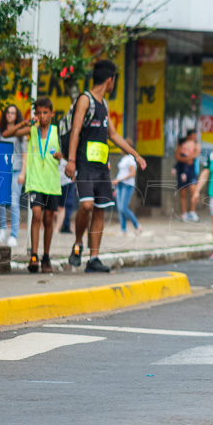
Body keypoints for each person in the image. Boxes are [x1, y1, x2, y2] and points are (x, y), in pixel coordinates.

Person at [65, 60, 147, 273]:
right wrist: (71, 160)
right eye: (114, 81)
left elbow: (113, 135)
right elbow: (75, 130)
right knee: (86, 206)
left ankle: (94, 259)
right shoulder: (86, 100)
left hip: (102, 167)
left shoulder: (104, 105)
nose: (113, 85)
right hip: (83, 165)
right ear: (110, 80)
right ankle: (78, 243)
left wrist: (135, 154)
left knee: (100, 211)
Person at [4, 97, 63, 273]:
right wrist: (24, 122)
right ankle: (34, 256)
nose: (42, 116)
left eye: (46, 112)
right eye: (38, 113)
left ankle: (46, 256)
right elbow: (8, 134)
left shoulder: (57, 132)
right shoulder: (31, 130)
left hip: (52, 183)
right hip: (35, 181)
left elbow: (67, 152)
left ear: (52, 113)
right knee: (36, 214)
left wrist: (63, 156)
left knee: (48, 219)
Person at [0, 103, 26, 248]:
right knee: (0, 202)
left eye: (12, 113)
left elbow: (25, 154)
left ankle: (14, 234)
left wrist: (23, 173)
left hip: (16, 170)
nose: (9, 115)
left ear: (17, 115)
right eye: (7, 112)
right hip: (1, 170)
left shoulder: (21, 133)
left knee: (14, 202)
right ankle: (2, 229)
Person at [174, 129, 200, 222]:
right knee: (183, 192)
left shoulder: (196, 144)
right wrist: (186, 159)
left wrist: (188, 158)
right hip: (182, 170)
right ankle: (184, 213)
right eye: (193, 135)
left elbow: (196, 154)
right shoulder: (181, 143)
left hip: (192, 170)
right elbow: (177, 156)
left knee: (193, 190)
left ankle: (192, 212)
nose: (195, 137)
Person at [113, 151, 141, 235]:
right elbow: (121, 173)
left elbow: (132, 173)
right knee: (119, 208)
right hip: (120, 185)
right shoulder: (123, 159)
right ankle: (123, 230)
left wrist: (120, 179)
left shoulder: (130, 159)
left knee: (123, 207)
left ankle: (137, 225)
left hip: (127, 185)